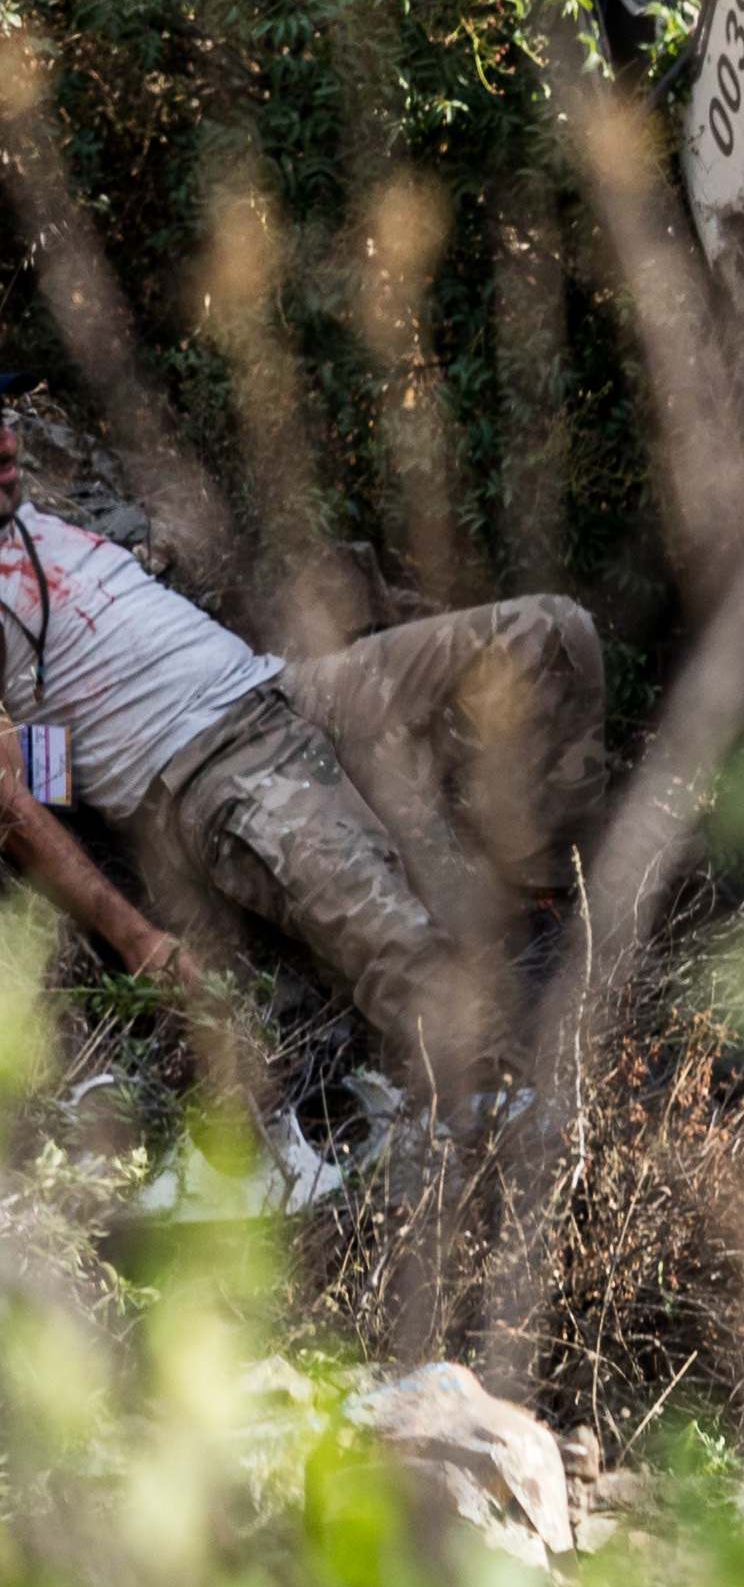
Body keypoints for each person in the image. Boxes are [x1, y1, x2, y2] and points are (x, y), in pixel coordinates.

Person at [0, 403, 611, 1091]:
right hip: (211, 766)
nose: (5, 439)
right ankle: (513, 1120)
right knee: (405, 953)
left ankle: (543, 912)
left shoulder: (31, 519)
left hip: (293, 687)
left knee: (553, 636)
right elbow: (8, 801)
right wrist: (141, 942)